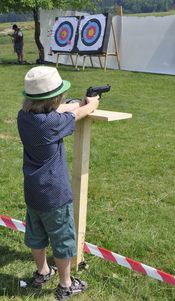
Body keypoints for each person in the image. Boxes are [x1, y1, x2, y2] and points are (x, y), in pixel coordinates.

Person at [17, 66, 99, 299]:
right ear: (55, 98)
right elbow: (80, 113)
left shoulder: (25, 117)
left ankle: (42, 271)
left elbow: (62, 110)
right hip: (55, 194)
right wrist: (91, 103)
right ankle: (65, 284)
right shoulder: (51, 123)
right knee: (63, 239)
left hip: (33, 192)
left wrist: (75, 103)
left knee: (36, 234)